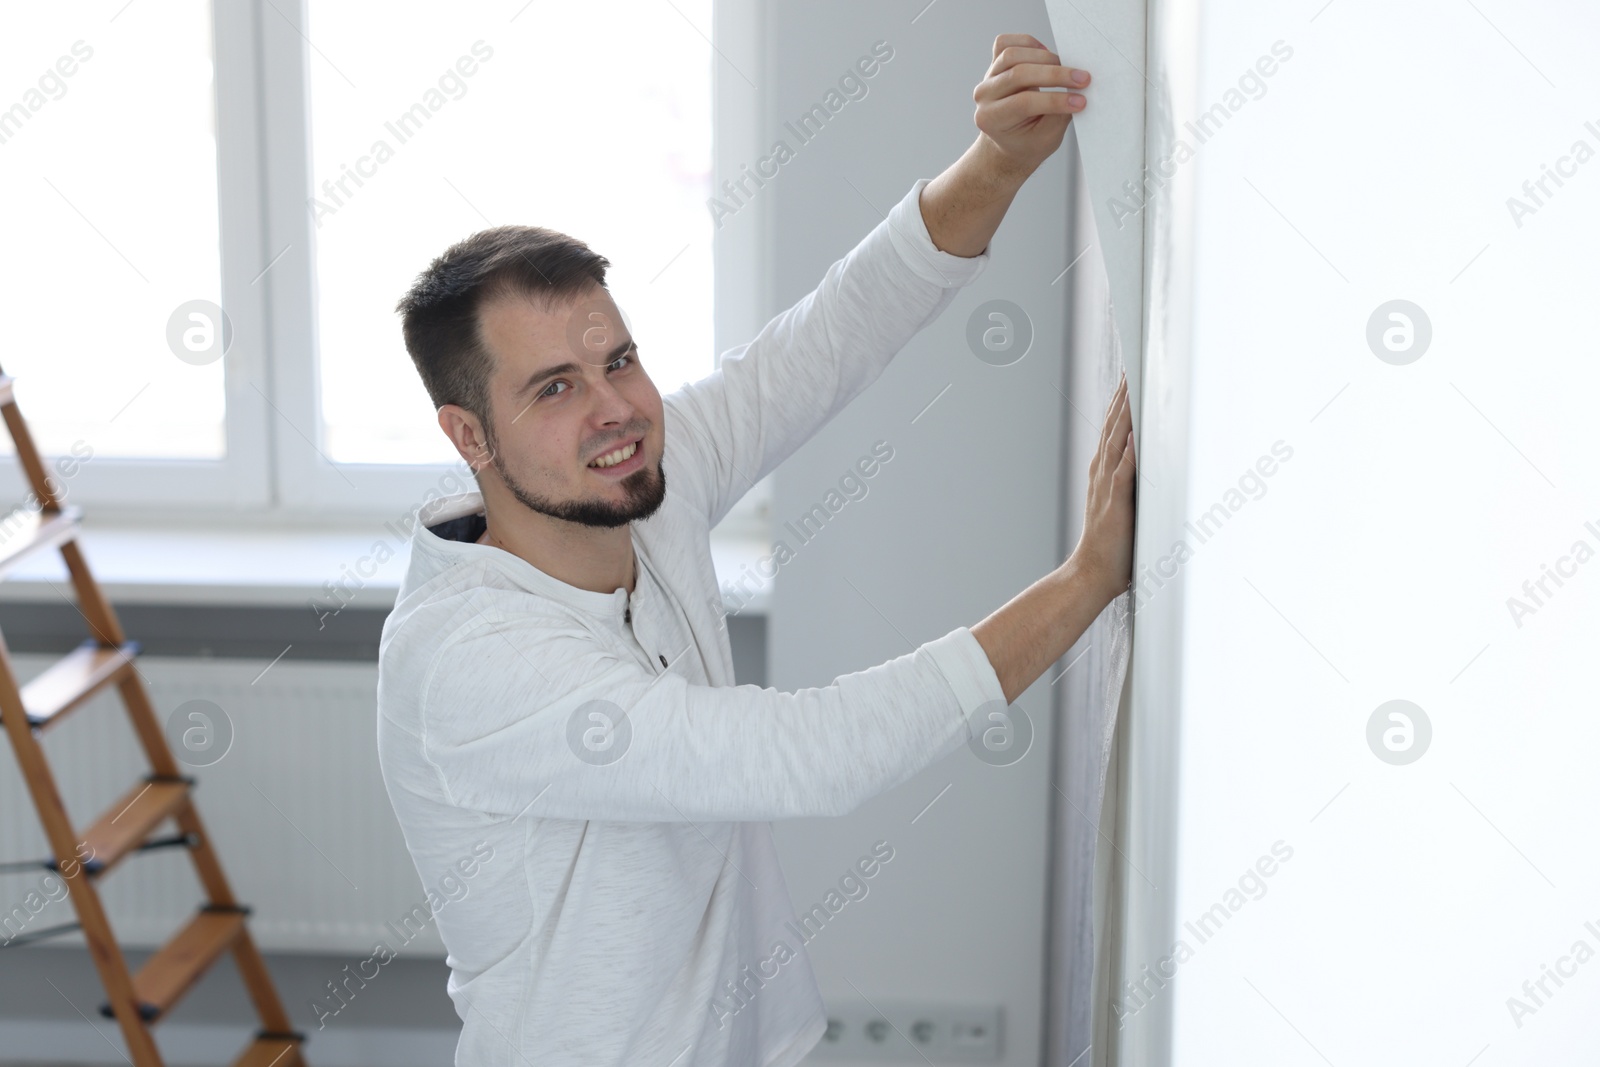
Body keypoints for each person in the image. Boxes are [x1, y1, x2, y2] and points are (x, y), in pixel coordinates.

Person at [375, 32, 1133, 1067]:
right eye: (554, 386)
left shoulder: (634, 484)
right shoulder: (474, 661)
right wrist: (1087, 579)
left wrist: (998, 160)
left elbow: (823, 340)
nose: (615, 410)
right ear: (469, 437)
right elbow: (807, 753)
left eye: (619, 360)